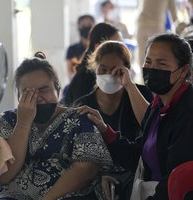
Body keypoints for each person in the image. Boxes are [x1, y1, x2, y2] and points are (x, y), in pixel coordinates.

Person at [79, 33, 193, 199]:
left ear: (183, 71)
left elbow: (177, 179)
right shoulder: (159, 106)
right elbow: (140, 155)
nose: (152, 69)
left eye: (161, 63)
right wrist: (105, 131)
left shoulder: (186, 112)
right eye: (148, 62)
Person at [0, 51, 113, 199]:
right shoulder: (7, 121)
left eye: (44, 89)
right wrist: (23, 123)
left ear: (58, 90)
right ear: (18, 96)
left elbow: (86, 169)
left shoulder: (79, 119)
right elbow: (3, 175)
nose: (37, 97)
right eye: (28, 92)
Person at [75, 40, 153, 200]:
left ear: (127, 70)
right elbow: (78, 152)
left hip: (135, 172)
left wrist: (129, 86)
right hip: (95, 173)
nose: (109, 75)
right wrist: (98, 176)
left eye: (116, 70)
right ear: (94, 68)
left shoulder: (141, 94)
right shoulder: (84, 105)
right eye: (103, 69)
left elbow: (151, 126)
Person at [63, 22, 122, 106]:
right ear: (98, 47)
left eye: (121, 45)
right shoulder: (85, 77)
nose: (120, 51)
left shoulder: (110, 74)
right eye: (114, 46)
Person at [136, 0, 178, 68]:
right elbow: (174, 16)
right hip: (156, 26)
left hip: (142, 24)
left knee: (142, 56)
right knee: (157, 56)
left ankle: (144, 76)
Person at [66, 14, 95, 79]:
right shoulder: (72, 49)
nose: (87, 27)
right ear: (78, 27)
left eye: (89, 25)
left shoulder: (99, 48)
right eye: (84, 25)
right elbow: (70, 73)